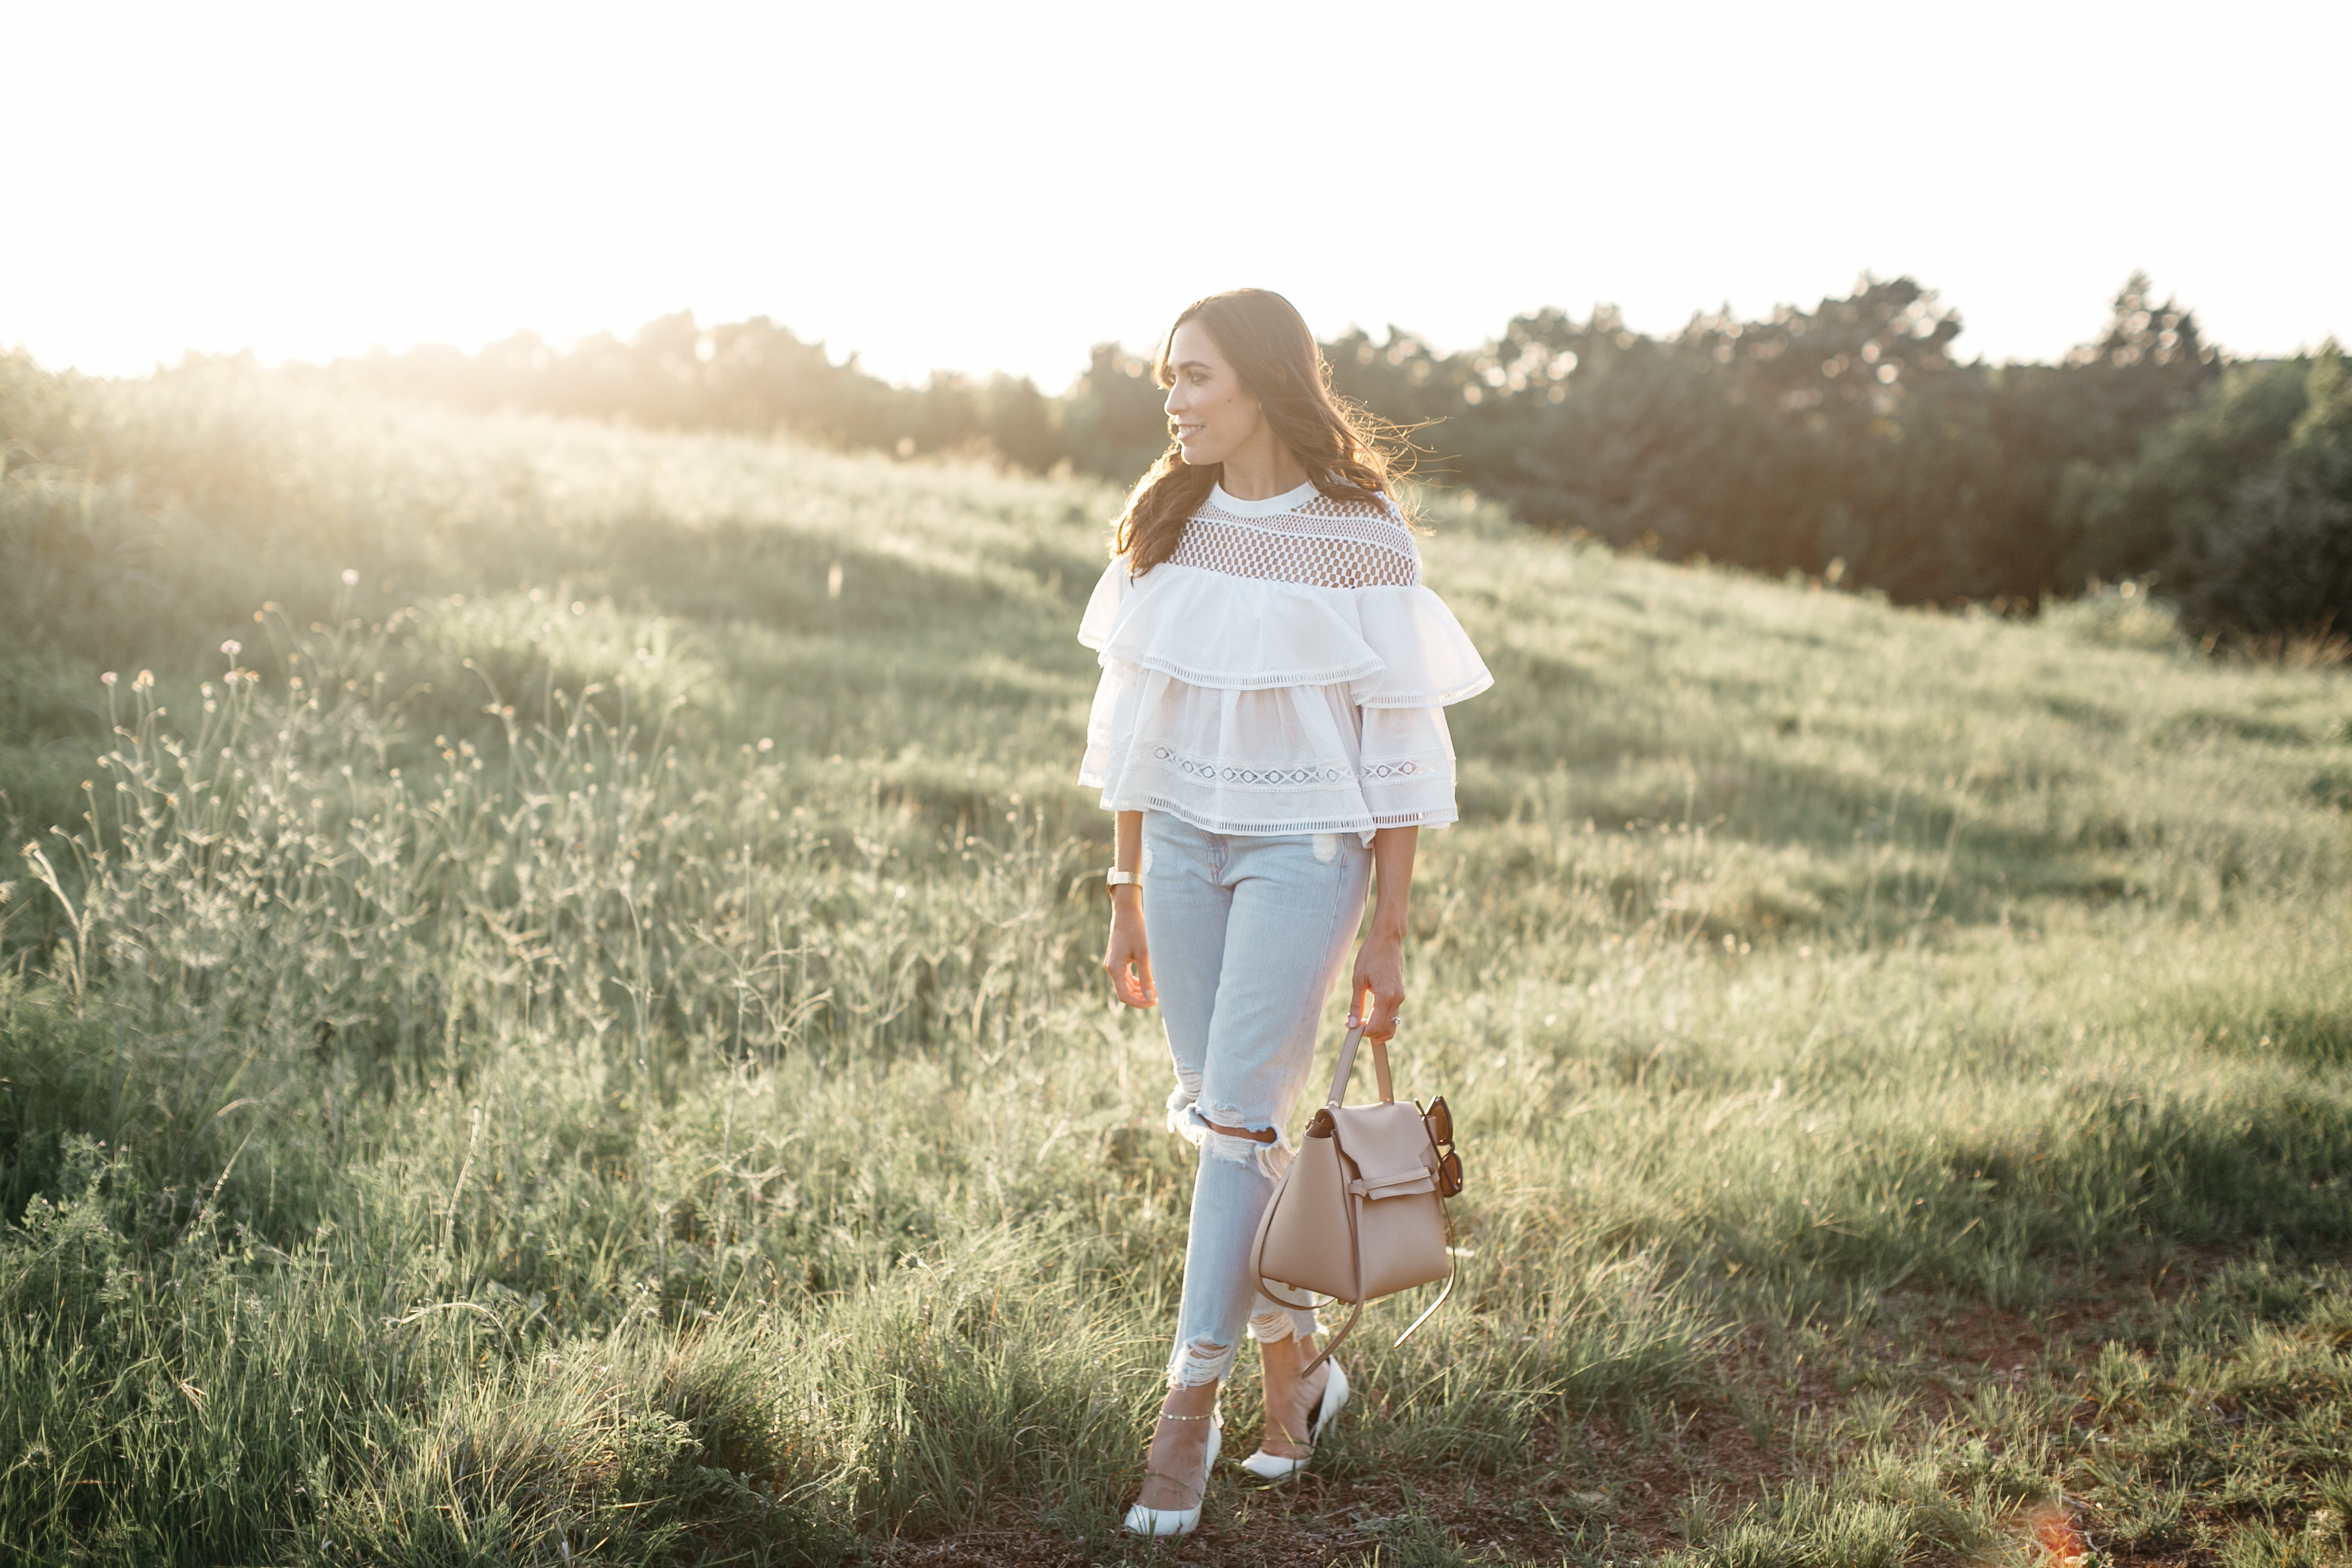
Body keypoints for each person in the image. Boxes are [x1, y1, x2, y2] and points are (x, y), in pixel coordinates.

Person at [1079, 288, 1492, 1537]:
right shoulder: (1171, 524)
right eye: (1168, 378)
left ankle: (1183, 1420)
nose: (1174, 399)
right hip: (1182, 855)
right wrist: (1126, 892)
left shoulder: (1361, 535)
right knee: (1229, 1130)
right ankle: (1298, 1377)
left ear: (1261, 380)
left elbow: (1403, 747)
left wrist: (1390, 929)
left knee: (1238, 1123)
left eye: (1194, 375)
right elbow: (1132, 730)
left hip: (1307, 854)